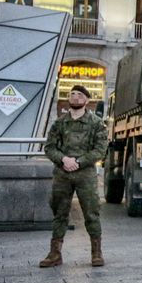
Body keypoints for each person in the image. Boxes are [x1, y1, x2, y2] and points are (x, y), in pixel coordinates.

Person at [40, 84, 107, 268]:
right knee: (59, 213)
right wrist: (63, 160)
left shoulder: (96, 124)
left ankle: (96, 253)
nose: (75, 97)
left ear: (87, 100)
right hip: (62, 174)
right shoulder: (59, 123)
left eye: (79, 95)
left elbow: (100, 150)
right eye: (72, 94)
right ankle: (55, 254)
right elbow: (49, 147)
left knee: (91, 212)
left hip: (85, 174)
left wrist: (79, 161)